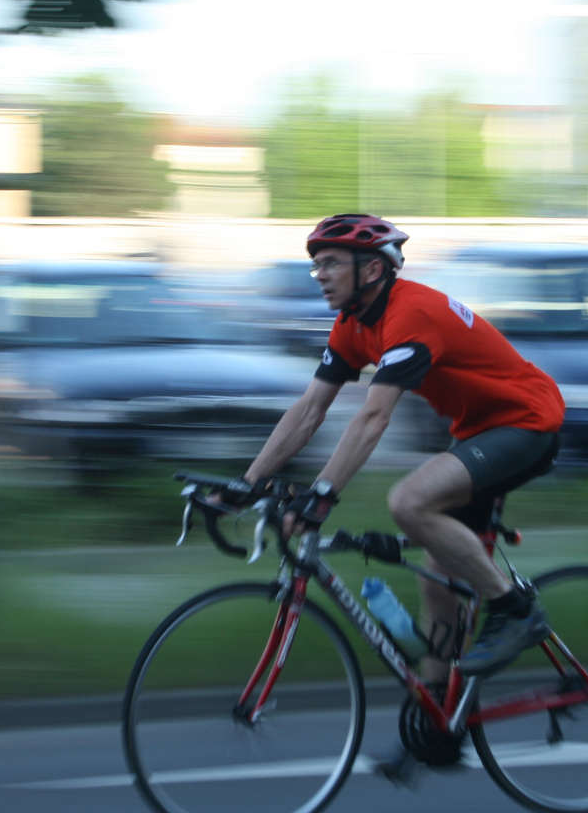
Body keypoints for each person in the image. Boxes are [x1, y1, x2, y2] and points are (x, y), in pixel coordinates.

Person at [237, 213, 566, 693]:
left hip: (526, 422)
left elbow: (374, 417)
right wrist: (248, 484)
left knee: (408, 501)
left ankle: (516, 611)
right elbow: (310, 410)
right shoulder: (353, 325)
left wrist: (322, 495)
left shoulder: (411, 313)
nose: (320, 275)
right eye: (317, 265)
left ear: (371, 270)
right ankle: (437, 725)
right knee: (438, 581)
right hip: (477, 432)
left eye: (331, 263)